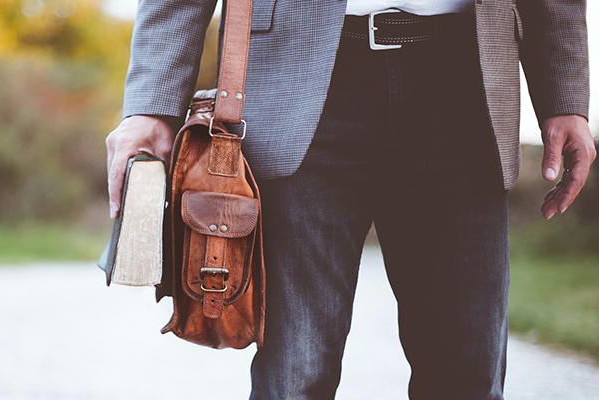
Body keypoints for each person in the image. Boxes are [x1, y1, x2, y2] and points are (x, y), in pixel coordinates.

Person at [105, 0, 595, 398]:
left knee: (467, 372)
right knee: (296, 372)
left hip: (467, 84)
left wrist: (565, 97)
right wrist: (152, 105)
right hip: (300, 84)